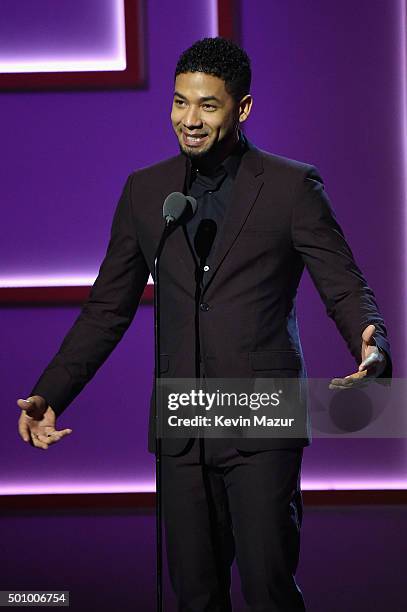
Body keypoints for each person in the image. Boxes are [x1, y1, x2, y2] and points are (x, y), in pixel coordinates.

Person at [17, 38, 391, 611]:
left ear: (241, 109)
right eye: (178, 103)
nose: (188, 120)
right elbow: (107, 307)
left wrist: (369, 341)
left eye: (207, 106)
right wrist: (52, 391)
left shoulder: (292, 186)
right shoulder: (147, 192)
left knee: (269, 591)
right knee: (195, 598)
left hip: (262, 419)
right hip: (183, 424)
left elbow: (343, 282)